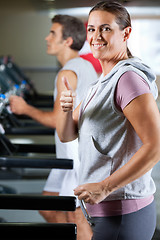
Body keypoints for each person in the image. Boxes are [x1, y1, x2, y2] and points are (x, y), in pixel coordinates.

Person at [57, 1, 160, 240]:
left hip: (123, 214)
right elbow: (67, 134)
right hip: (103, 213)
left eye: (105, 28)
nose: (96, 36)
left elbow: (155, 147)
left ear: (126, 32)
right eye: (91, 29)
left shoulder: (128, 79)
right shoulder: (100, 82)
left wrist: (105, 187)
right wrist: (66, 108)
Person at [9, 14, 97, 240]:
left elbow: (58, 122)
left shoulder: (67, 73)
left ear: (67, 41)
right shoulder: (85, 65)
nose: (46, 38)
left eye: (52, 33)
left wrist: (25, 108)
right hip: (68, 157)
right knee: (48, 206)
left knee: (76, 216)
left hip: (75, 158)